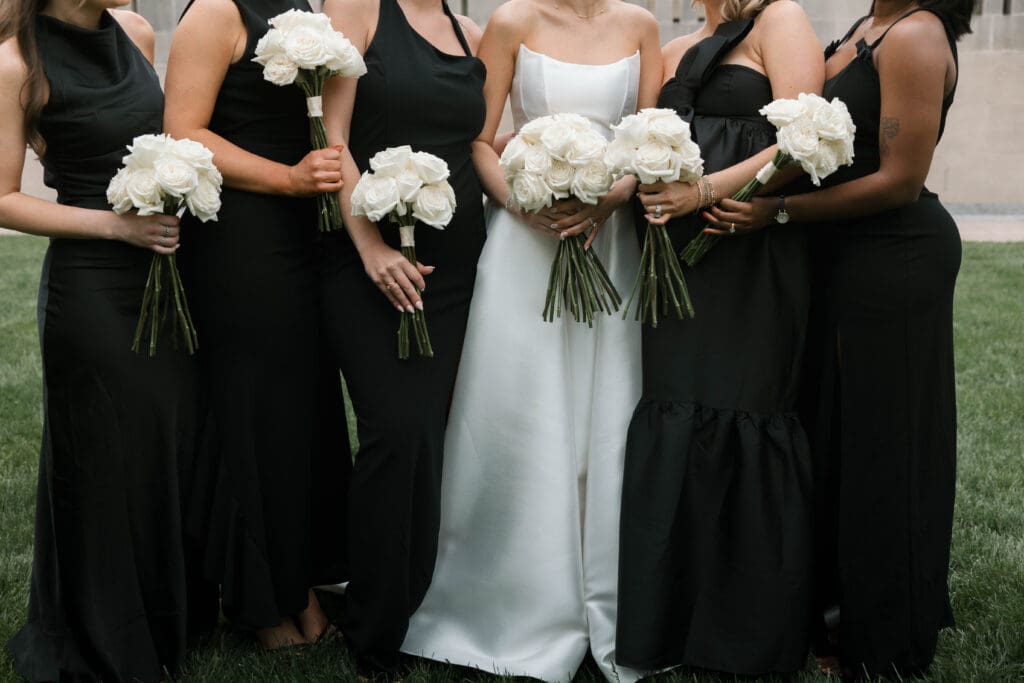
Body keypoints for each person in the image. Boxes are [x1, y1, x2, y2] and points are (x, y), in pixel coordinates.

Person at [704, 0, 974, 676]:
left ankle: (886, 636)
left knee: (887, 447)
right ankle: (832, 610)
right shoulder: (861, 31)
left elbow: (899, 180)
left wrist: (777, 211)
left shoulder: (915, 34)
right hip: (838, 254)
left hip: (896, 256)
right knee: (836, 437)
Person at [398, 1, 661, 680]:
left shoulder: (642, 27)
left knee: (611, 412)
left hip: (612, 244)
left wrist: (607, 200)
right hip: (524, 238)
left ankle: (608, 596)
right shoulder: (511, 19)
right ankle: (512, 596)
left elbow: (646, 139)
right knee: (520, 412)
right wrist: (523, 205)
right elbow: (480, 140)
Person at [614, 0, 824, 676]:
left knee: (748, 403)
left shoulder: (780, 20)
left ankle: (747, 634)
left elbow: (805, 141)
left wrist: (702, 190)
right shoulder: (676, 48)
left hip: (749, 255)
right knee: (677, 409)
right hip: (676, 264)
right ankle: (669, 623)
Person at [1, 1, 198, 680]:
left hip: (164, 267)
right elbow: (1, 197)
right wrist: (115, 227)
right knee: (102, 457)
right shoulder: (15, 64)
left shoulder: (137, 32)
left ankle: (165, 617)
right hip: (90, 284)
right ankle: (99, 636)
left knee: (157, 445)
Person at [163, 0, 351, 651]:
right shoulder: (216, 11)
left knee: (302, 414)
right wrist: (289, 179)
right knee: (254, 413)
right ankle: (264, 600)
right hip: (241, 237)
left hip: (308, 236)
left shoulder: (313, 10)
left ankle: (300, 578)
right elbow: (184, 131)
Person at [318, 0, 486, 678]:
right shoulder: (355, 10)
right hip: (369, 263)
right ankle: (374, 626)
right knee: (397, 431)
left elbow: (480, 144)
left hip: (458, 268)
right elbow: (330, 142)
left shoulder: (469, 33)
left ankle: (416, 597)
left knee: (432, 434)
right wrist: (370, 249)